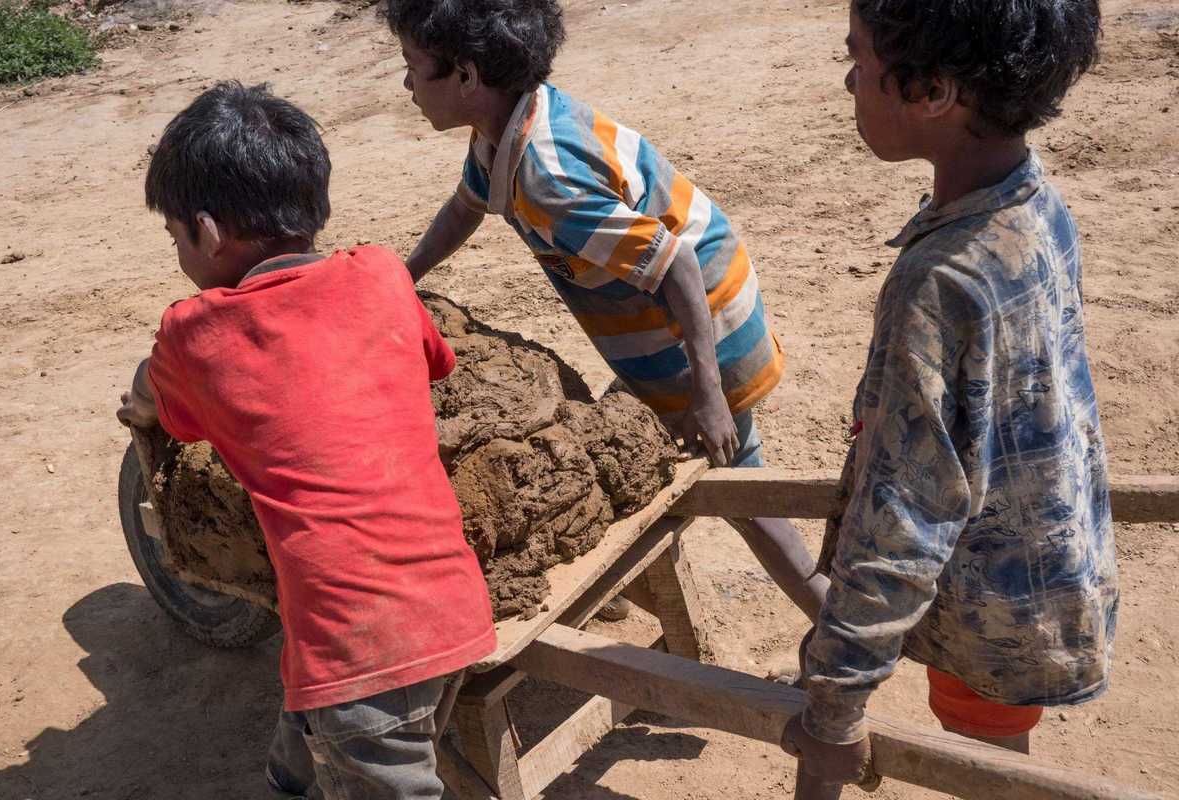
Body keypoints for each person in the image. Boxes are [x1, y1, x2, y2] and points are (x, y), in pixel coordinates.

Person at [381, 0, 830, 622]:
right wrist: (403, 278)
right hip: (683, 307)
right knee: (649, 457)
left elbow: (675, 265)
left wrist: (707, 393)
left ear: (465, 75)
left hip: (702, 329)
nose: (405, 85)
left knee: (743, 494)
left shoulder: (546, 178)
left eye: (412, 66)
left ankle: (838, 630)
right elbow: (465, 208)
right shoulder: (508, 128)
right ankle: (630, 597)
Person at [116, 81, 496, 800]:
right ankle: (291, 779)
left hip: (362, 653)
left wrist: (142, 398)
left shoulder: (195, 332)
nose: (179, 256)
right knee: (318, 704)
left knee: (363, 740)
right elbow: (435, 362)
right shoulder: (384, 274)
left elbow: (173, 416)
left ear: (208, 232)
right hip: (451, 605)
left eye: (175, 239)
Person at [778, 0, 1117, 795]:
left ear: (931, 92)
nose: (851, 78)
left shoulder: (939, 282)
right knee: (994, 757)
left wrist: (834, 712)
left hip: (984, 598)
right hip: (1044, 569)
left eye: (858, 57)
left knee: (986, 767)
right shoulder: (1036, 203)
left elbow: (904, 515)